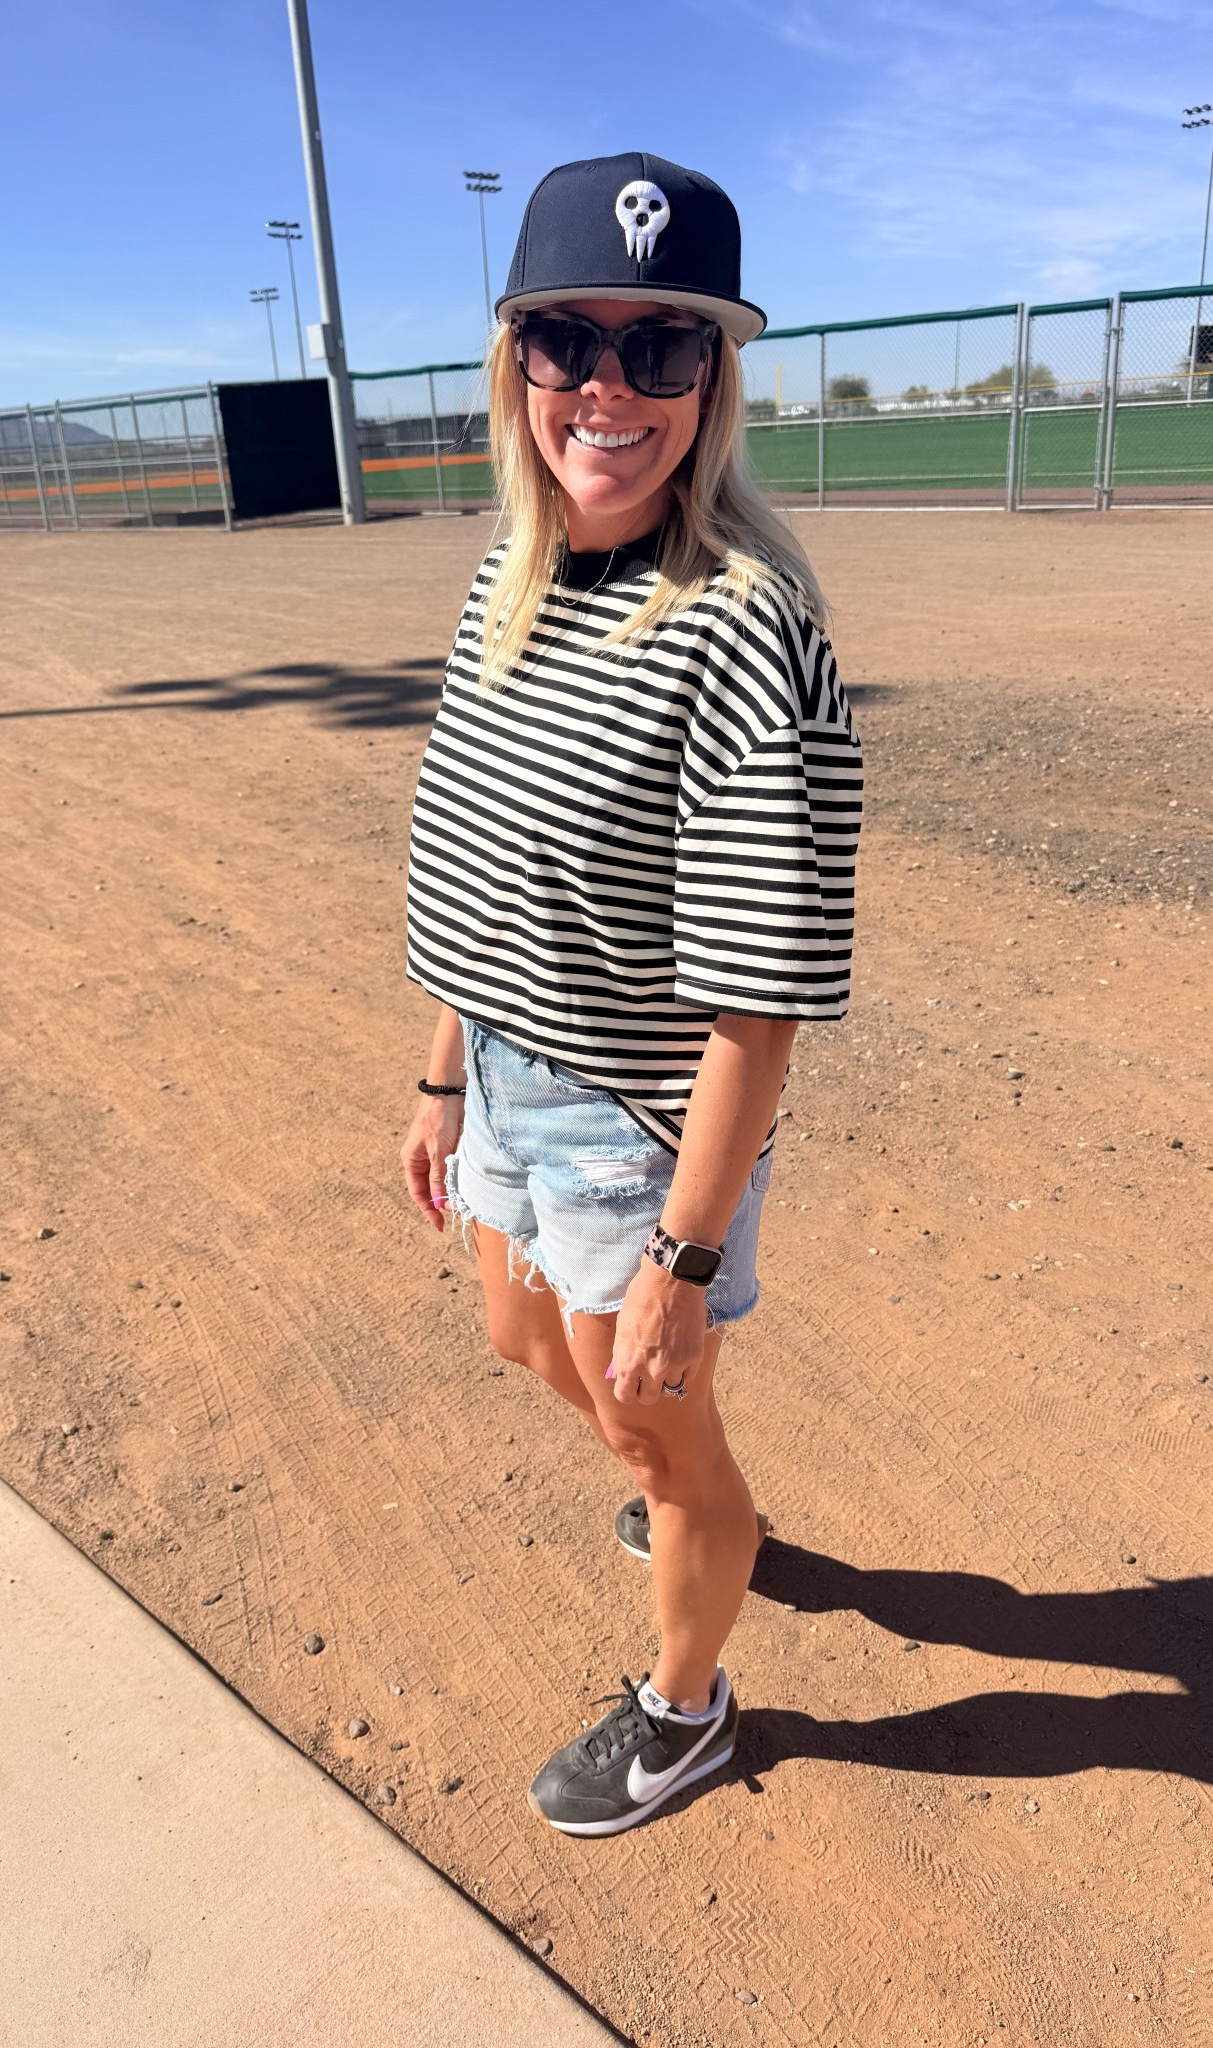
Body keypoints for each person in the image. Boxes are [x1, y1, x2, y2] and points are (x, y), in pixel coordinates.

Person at [400, 151, 862, 1835]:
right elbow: (465, 845)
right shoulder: (508, 578)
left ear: (711, 383)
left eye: (661, 350)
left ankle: (691, 1702)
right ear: (515, 363)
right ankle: (692, 1494)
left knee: (654, 1424)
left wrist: (681, 1251)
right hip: (515, 1070)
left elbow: (763, 1000)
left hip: (640, 1123)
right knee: (529, 1339)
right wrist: (447, 1071)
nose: (609, 388)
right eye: (569, 343)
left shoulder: (742, 625)